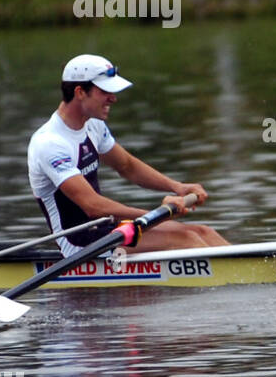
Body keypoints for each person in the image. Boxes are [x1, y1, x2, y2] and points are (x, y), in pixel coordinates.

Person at [28, 54, 227, 257]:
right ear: (80, 92)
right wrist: (159, 215)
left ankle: (251, 269)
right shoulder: (50, 143)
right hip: (78, 245)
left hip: (105, 230)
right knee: (186, 240)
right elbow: (93, 206)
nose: (113, 98)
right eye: (105, 91)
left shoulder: (93, 124)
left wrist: (177, 187)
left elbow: (127, 166)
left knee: (202, 232)